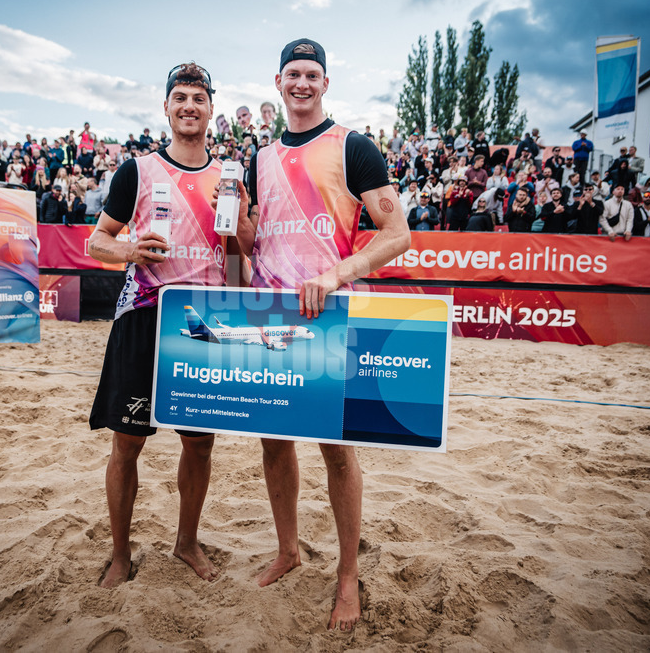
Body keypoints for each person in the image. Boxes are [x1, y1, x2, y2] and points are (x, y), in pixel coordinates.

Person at [231, 38, 409, 632]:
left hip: (331, 317)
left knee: (337, 450)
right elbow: (256, 245)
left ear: (325, 84)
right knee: (274, 443)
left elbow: (397, 235)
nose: (302, 83)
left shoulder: (352, 147)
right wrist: (239, 231)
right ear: (277, 83)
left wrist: (336, 273)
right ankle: (288, 550)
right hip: (270, 317)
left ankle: (347, 576)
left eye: (312, 74)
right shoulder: (259, 157)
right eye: (292, 74)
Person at [88, 62, 225, 590]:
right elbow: (96, 242)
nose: (189, 105)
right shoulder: (138, 171)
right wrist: (128, 249)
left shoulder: (228, 178)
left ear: (211, 108)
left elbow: (237, 264)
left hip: (202, 323)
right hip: (143, 316)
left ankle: (186, 541)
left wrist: (239, 233)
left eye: (198, 97)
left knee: (200, 444)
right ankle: (120, 554)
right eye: (179, 97)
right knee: (127, 444)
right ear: (165, 108)